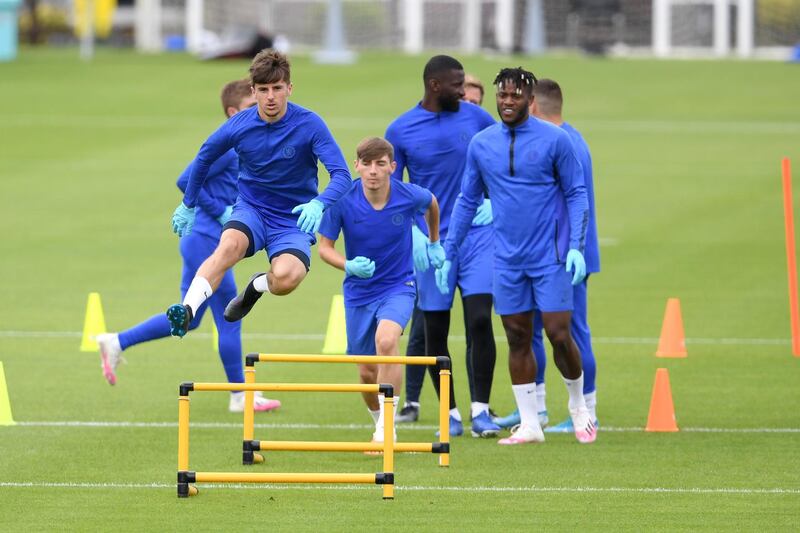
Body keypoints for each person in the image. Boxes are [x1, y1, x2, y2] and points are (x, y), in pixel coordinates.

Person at [96, 79, 280, 412]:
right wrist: (220, 211)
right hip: (207, 242)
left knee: (190, 319)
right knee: (229, 317)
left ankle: (116, 341)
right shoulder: (228, 146)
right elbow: (185, 179)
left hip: (204, 241)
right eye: (251, 107)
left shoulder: (244, 144)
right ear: (232, 112)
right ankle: (240, 395)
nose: (260, 111)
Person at [439, 67, 597, 445]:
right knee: (516, 335)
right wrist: (449, 250)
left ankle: (579, 406)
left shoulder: (556, 141)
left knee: (559, 334)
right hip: (506, 259)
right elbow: (467, 199)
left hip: (550, 257)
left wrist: (575, 247)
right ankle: (530, 424)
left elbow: (576, 194)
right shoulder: (482, 144)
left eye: (515, 96)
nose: (507, 102)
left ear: (530, 100)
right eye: (502, 96)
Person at [165, 49, 352, 339]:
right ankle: (187, 310)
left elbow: (342, 175)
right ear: (253, 91)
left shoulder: (310, 124)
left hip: (293, 219)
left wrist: (319, 203)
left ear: (289, 88)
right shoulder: (239, 125)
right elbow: (204, 156)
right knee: (228, 248)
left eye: (277, 88)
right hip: (251, 209)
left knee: (288, 277)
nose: (271, 97)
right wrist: (188, 204)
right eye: (263, 90)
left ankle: (256, 286)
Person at [385, 55, 500, 438]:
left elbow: (502, 165)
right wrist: (414, 234)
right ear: (435, 86)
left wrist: (493, 204)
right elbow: (393, 189)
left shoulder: (478, 119)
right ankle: (449, 414)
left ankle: (481, 411)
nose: (464, 92)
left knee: (481, 319)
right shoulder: (400, 130)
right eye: (456, 85)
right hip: (431, 242)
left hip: (477, 237)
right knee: (435, 330)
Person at [318, 137, 444, 443]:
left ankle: (386, 429)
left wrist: (433, 241)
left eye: (380, 164)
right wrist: (348, 266)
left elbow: (431, 203)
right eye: (367, 163)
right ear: (357, 166)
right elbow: (324, 248)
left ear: (392, 167)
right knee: (365, 373)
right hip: (359, 293)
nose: (373, 170)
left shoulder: (407, 195)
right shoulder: (343, 200)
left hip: (399, 285)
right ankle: (380, 423)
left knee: (386, 340)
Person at [493, 78, 601, 432]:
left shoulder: (566, 143)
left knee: (571, 332)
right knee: (529, 332)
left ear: (533, 104)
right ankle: (534, 410)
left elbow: (576, 202)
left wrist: (576, 251)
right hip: (536, 254)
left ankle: (587, 409)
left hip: (565, 255)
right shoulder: (548, 140)